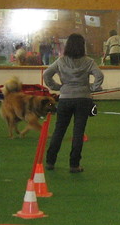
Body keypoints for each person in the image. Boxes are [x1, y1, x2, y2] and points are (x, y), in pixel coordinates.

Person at [44, 33, 104, 173]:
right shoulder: (88, 61)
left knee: (59, 131)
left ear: (67, 46)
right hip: (83, 99)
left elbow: (46, 74)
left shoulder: (61, 61)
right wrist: (94, 88)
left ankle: (50, 161)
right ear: (82, 46)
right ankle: (74, 165)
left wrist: (56, 87)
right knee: (78, 133)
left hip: (65, 98)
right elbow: (99, 75)